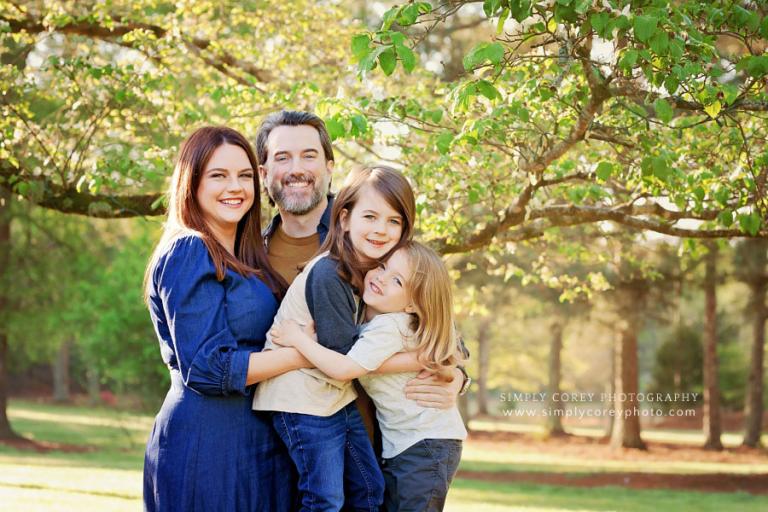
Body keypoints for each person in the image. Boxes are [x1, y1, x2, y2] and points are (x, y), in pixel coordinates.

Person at [254, 111, 469, 416]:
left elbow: (448, 339)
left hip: (373, 435)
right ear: (264, 173)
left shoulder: (377, 245)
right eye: (283, 157)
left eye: (309, 156)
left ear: (329, 167)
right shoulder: (248, 257)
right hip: (282, 429)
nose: (297, 169)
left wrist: (457, 378)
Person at [142, 126, 308, 512]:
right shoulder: (189, 250)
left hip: (256, 444)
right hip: (208, 444)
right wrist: (306, 354)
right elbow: (207, 367)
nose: (235, 187)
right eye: (219, 175)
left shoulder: (247, 258)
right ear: (192, 183)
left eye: (244, 176)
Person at [252, 165, 415, 511]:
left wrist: (453, 362)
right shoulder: (330, 273)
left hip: (333, 396)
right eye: (370, 216)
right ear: (343, 219)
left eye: (393, 221)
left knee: (370, 490)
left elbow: (426, 317)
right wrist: (421, 359)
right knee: (325, 499)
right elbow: (345, 357)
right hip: (299, 398)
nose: (381, 230)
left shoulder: (379, 274)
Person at [272, 241, 467, 512]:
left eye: (397, 281)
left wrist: (299, 340)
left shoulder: (390, 327)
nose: (381, 278)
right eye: (383, 266)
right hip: (413, 444)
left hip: (425, 445)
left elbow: (345, 367)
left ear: (413, 304)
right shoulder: (378, 323)